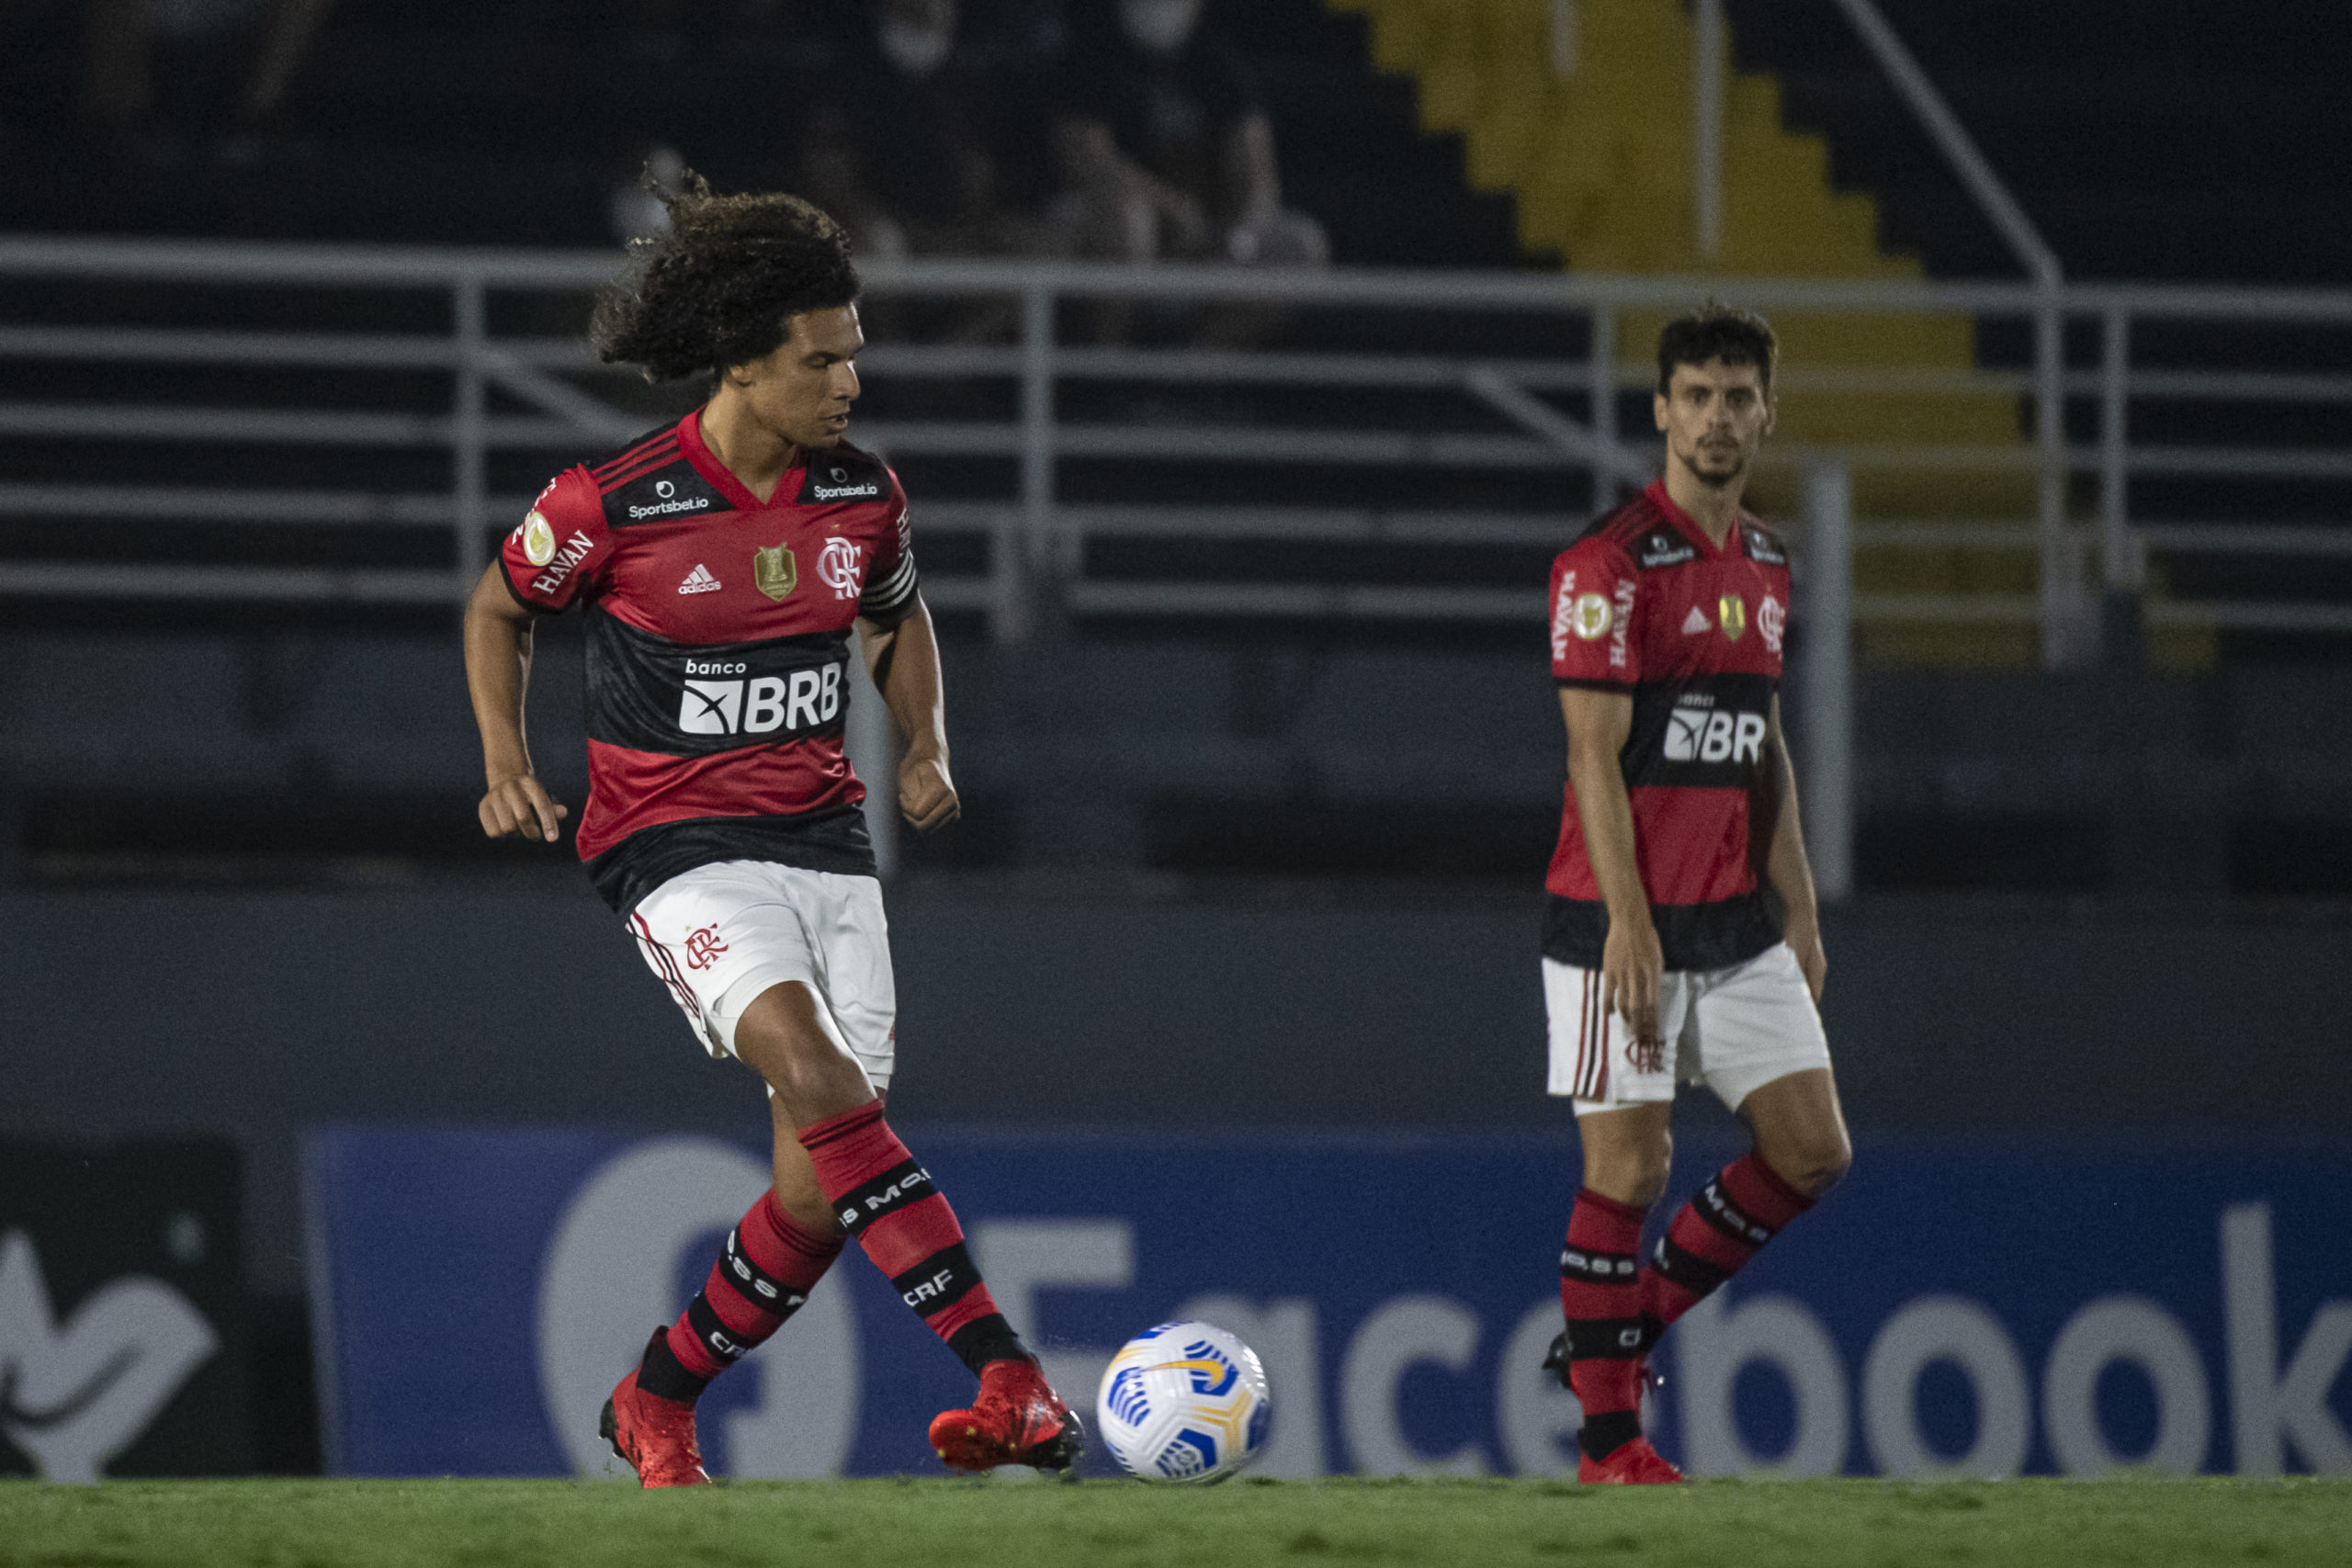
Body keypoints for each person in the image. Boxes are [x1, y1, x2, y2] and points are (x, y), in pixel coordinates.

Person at [460, 172, 1080, 1487]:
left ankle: (656, 1391)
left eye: (856, 356)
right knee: (813, 1070)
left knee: (816, 1189)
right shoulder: (611, 504)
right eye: (824, 360)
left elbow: (896, 617)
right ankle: (1005, 1369)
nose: (850, 382)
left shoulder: (861, 495)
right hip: (671, 845)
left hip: (826, 847)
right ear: (744, 362)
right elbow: (497, 605)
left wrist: (927, 739)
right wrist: (508, 761)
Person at [1539, 305, 1853, 1484]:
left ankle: (1612, 1337)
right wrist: (1627, 923)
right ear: (1661, 410)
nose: (1717, 417)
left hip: (1733, 919)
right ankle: (1612, 1442)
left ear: (1766, 412)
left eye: (1738, 397)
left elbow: (1759, 736)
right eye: (1697, 396)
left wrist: (1802, 908)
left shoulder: (1768, 562)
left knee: (1812, 1151)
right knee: (1626, 1171)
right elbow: (1590, 756)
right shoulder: (1608, 564)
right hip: (1610, 923)